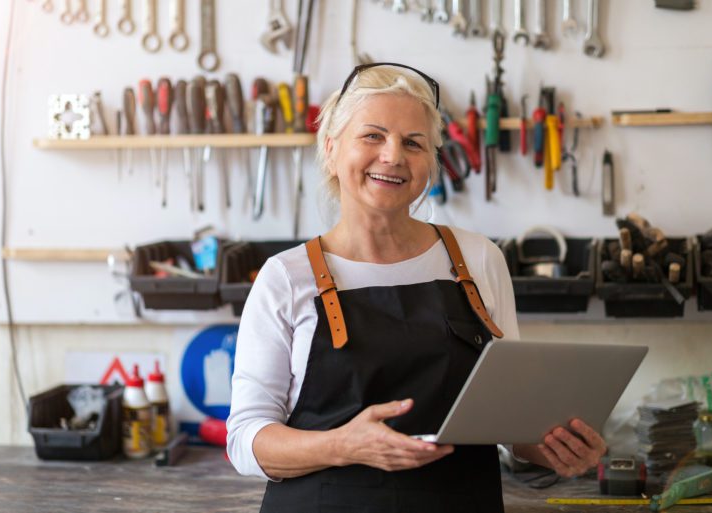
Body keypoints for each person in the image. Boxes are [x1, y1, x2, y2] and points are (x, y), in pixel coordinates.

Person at [227, 63, 606, 513]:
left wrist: (552, 447)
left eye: (413, 143)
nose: (393, 156)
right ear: (331, 149)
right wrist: (344, 446)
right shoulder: (285, 277)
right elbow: (246, 441)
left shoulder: (478, 259)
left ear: (432, 161)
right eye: (372, 136)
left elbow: (508, 419)